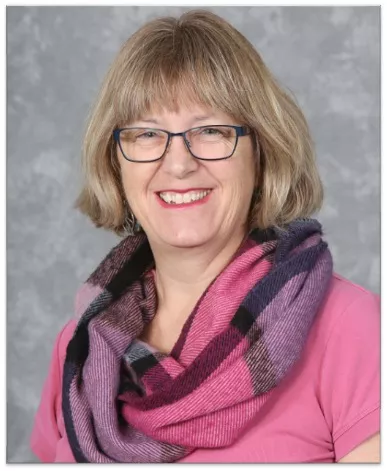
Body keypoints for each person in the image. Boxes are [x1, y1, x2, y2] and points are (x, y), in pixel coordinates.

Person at [30, 9, 380, 463]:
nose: (178, 164)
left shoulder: (349, 327)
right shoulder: (79, 350)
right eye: (147, 133)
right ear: (114, 161)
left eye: (210, 131)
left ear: (262, 152)